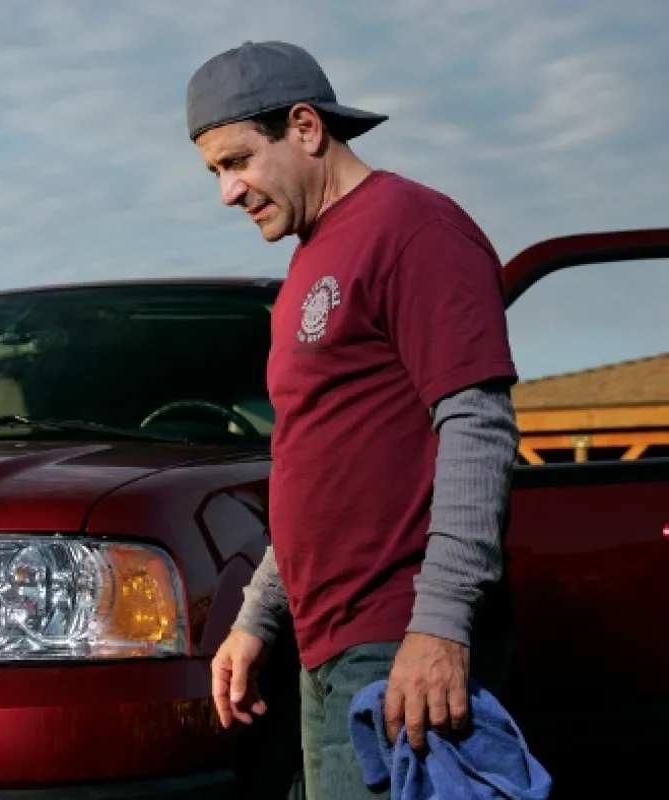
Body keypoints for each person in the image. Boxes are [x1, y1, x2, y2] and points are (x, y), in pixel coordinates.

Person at [186, 42, 521, 798]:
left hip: (398, 637)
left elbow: (477, 425)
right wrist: (256, 620)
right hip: (326, 640)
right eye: (214, 172)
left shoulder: (413, 227)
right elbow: (315, 467)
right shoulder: (310, 259)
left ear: (304, 127)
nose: (227, 193)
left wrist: (438, 627)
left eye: (237, 161)